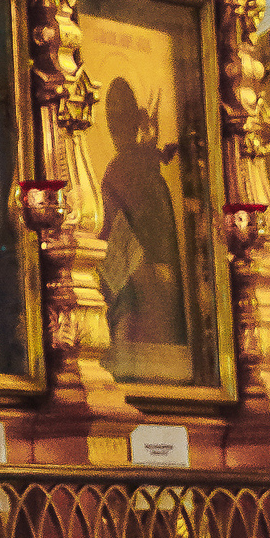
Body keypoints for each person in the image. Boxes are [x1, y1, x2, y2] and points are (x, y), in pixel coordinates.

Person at [101, 76, 189, 361]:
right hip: (149, 284)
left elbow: (123, 239)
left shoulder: (123, 170)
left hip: (145, 285)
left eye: (119, 117)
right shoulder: (141, 167)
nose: (116, 126)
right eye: (112, 118)